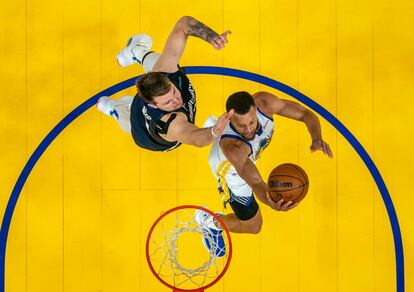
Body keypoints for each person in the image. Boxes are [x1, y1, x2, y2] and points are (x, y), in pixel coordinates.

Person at [195, 91, 333, 256]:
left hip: (247, 157)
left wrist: (316, 137)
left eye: (252, 122)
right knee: (253, 226)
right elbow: (256, 183)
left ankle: (213, 128)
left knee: (249, 152)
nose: (248, 129)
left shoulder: (265, 103)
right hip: (230, 170)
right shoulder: (233, 147)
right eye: (241, 126)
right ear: (229, 118)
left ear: (255, 107)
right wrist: (272, 201)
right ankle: (209, 222)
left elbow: (305, 113)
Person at [96, 16, 233, 151]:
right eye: (168, 102)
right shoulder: (171, 123)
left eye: (173, 91)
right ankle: (115, 108)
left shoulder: (165, 74)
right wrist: (214, 131)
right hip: (145, 134)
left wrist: (211, 36)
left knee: (162, 64)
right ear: (153, 106)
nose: (176, 100)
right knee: (130, 123)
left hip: (153, 90)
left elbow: (184, 24)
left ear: (168, 80)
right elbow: (195, 138)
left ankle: (136, 51)